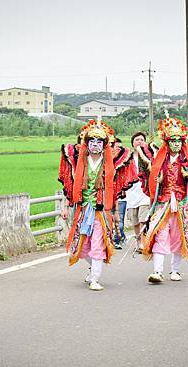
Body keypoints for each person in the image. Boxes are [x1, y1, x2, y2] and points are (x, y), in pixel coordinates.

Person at [58, 119, 137, 291]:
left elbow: (114, 189)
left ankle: (95, 278)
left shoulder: (110, 163)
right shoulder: (79, 161)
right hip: (83, 209)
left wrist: (115, 211)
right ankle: (93, 267)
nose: (95, 145)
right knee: (80, 247)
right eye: (91, 141)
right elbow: (69, 187)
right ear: (86, 144)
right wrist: (66, 206)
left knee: (97, 244)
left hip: (101, 211)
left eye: (99, 142)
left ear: (104, 145)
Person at [140, 114, 188, 283]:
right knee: (159, 234)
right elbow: (150, 179)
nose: (175, 144)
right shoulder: (159, 160)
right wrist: (156, 181)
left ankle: (175, 270)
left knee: (179, 236)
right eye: (172, 140)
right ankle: (157, 271)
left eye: (178, 140)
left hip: (181, 201)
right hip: (163, 202)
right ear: (167, 141)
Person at [125, 131, 151, 253]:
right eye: (137, 140)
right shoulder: (127, 159)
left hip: (145, 192)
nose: (139, 141)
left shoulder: (149, 156)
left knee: (143, 218)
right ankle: (138, 241)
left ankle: (145, 243)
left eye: (141, 139)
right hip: (131, 193)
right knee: (135, 220)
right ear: (133, 143)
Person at [112, 138, 127, 249]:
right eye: (116, 147)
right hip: (106, 197)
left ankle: (118, 239)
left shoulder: (123, 162)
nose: (118, 149)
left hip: (120, 196)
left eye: (120, 148)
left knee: (119, 219)